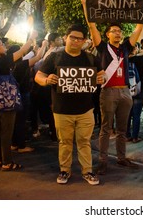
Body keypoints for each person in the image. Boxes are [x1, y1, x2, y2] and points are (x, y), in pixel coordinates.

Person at [81, 0, 143, 175]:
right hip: (108, 92)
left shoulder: (127, 47)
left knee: (122, 129)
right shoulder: (102, 48)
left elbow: (138, 28)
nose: (118, 33)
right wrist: (85, 4)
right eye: (114, 31)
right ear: (107, 34)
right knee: (105, 129)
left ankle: (121, 157)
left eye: (119, 31)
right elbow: (92, 26)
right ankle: (103, 161)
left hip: (126, 92)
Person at [35, 24, 105, 185]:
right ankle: (64, 170)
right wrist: (46, 80)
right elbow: (39, 75)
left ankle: (87, 171)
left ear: (84, 41)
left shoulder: (90, 58)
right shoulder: (54, 57)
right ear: (66, 38)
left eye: (79, 39)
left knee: (84, 142)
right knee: (65, 142)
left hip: (86, 109)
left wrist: (102, 78)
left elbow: (102, 74)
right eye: (72, 37)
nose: (75, 41)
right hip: (62, 109)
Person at [0, 30, 38, 171]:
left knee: (0, 130)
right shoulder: (2, 61)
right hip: (7, 102)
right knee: (7, 132)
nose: (4, 46)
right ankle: (7, 162)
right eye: (2, 44)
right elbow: (23, 50)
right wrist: (31, 38)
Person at [8, 38, 48, 152]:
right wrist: (44, 45)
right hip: (22, 95)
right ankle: (21, 146)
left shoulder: (10, 64)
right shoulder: (21, 64)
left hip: (12, 95)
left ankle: (14, 143)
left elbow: (33, 55)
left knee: (15, 121)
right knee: (21, 120)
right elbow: (38, 57)